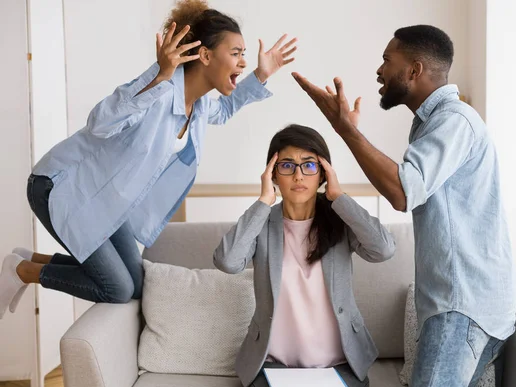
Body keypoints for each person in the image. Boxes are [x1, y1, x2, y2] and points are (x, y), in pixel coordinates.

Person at [0, 0, 297, 318]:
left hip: (107, 202)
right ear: (207, 55)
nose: (242, 62)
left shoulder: (197, 105)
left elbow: (224, 110)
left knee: (138, 285)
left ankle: (29, 258)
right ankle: (22, 271)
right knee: (116, 288)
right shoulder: (161, 88)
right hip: (63, 187)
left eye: (244, 55)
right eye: (236, 53)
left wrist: (261, 75)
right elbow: (100, 123)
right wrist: (158, 76)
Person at [292, 25, 516, 387]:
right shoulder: (433, 123)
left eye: (386, 60)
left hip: (462, 309)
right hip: (463, 307)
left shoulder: (454, 120)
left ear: (414, 70)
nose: (379, 71)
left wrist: (345, 130)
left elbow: (402, 191)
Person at [213, 124, 396, 387]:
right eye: (287, 165)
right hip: (272, 364)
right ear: (273, 173)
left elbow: (383, 249)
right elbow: (227, 261)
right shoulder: (262, 224)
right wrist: (264, 200)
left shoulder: (341, 221)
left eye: (309, 165)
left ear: (323, 173)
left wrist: (339, 198)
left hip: (341, 363)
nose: (298, 175)